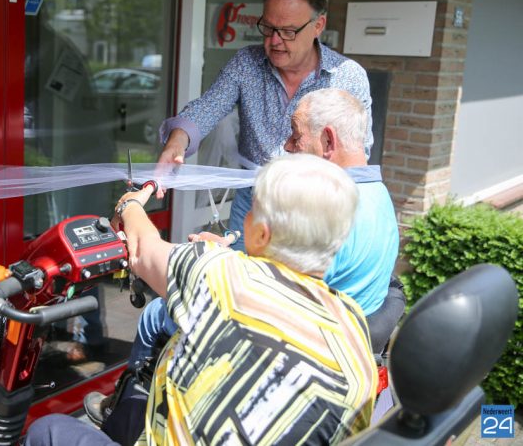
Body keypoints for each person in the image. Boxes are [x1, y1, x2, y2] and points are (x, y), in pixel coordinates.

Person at [84, 89, 403, 426]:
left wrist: (129, 206)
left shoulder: (335, 212)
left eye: (295, 136)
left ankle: (126, 418)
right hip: (340, 337)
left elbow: (274, 295)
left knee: (154, 315)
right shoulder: (378, 196)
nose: (288, 147)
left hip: (286, 346)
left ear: (327, 140)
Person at [26, 153, 377, 446]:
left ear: (260, 232)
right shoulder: (353, 323)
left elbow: (142, 247)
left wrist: (131, 202)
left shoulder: (221, 276)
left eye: (251, 211)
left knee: (47, 431)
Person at [157, 0, 373, 252]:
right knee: (237, 279)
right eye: (268, 28)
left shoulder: (347, 77)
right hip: (253, 200)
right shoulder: (247, 63)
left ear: (318, 25)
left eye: (288, 31)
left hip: (315, 207)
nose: (274, 41)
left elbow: (358, 157)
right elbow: (208, 107)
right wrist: (177, 141)